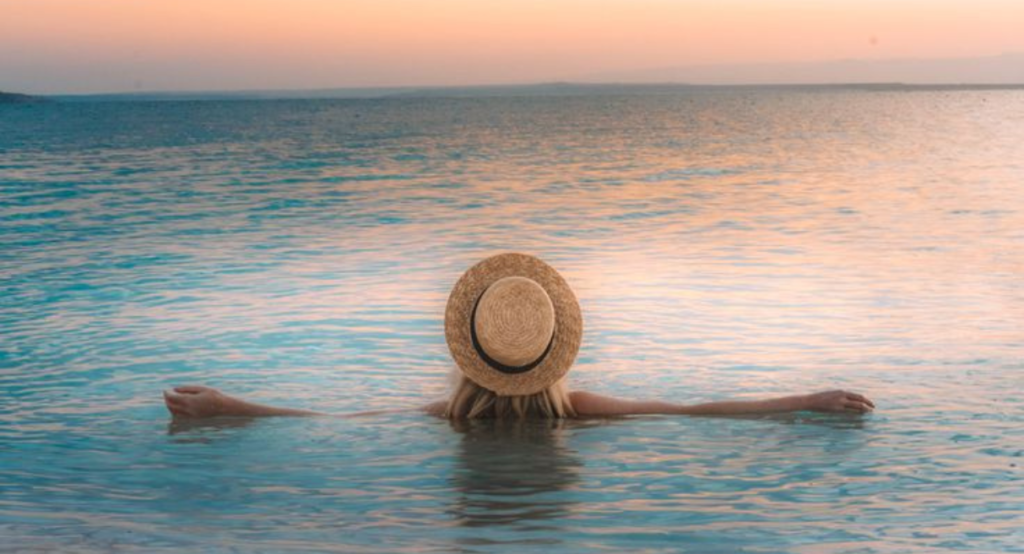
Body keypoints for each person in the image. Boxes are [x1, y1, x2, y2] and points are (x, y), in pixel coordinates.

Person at [163, 253, 874, 421]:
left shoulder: (451, 419)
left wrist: (224, 407)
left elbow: (332, 422)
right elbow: (692, 414)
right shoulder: (579, 411)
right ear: (553, 346)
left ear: (469, 344)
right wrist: (806, 400)